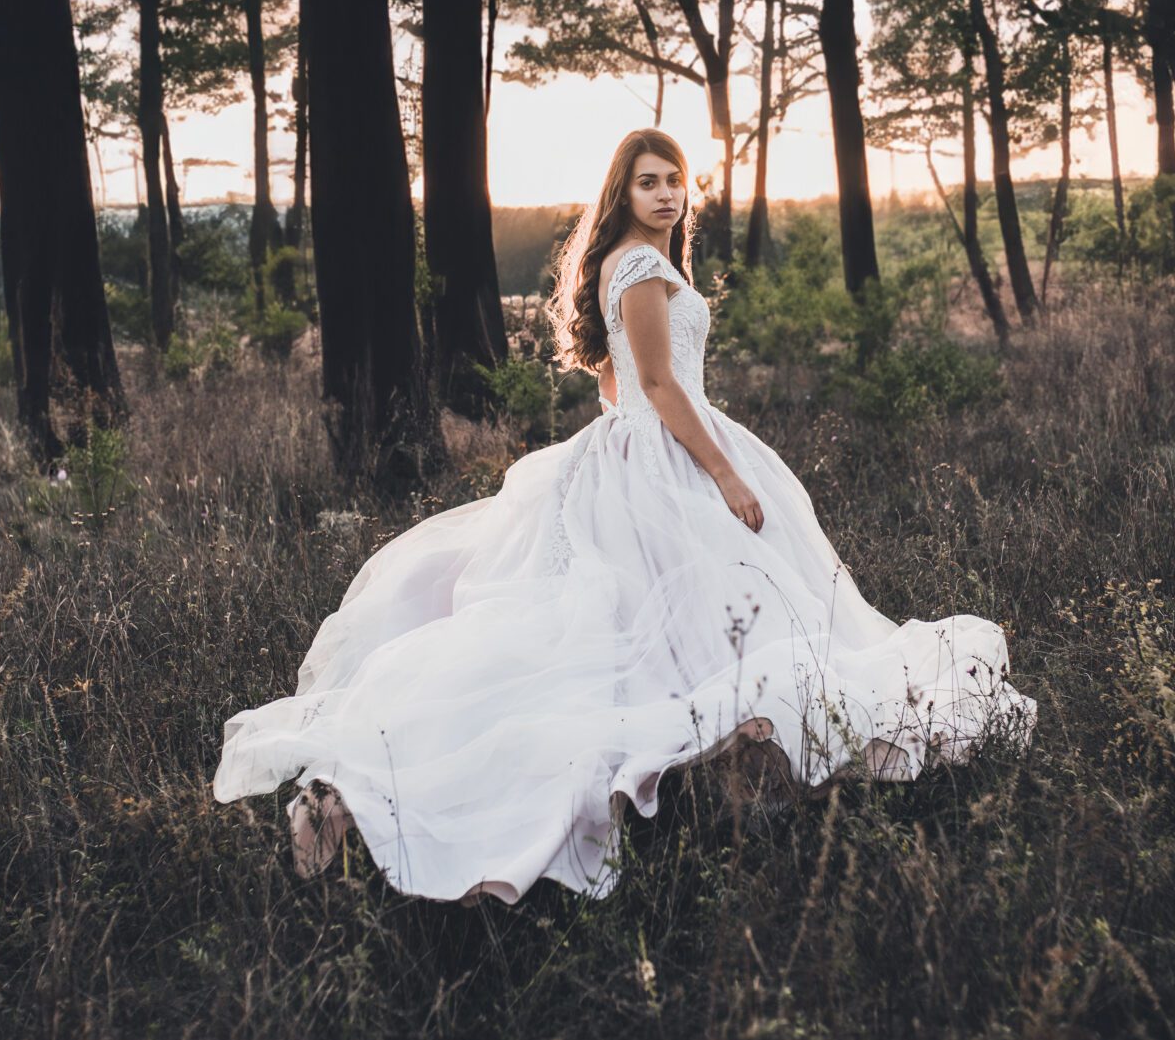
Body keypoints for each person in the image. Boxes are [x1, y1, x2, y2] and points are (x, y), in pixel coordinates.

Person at [212, 128, 1036, 905]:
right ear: (624, 190)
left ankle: (730, 776)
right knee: (706, 614)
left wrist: (645, 427)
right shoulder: (641, 267)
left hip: (639, 446)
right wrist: (724, 474)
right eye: (650, 181)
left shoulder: (622, 260)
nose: (669, 192)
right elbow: (660, 384)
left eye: (676, 179)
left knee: (676, 625)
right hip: (671, 455)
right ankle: (722, 778)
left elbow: (616, 386)